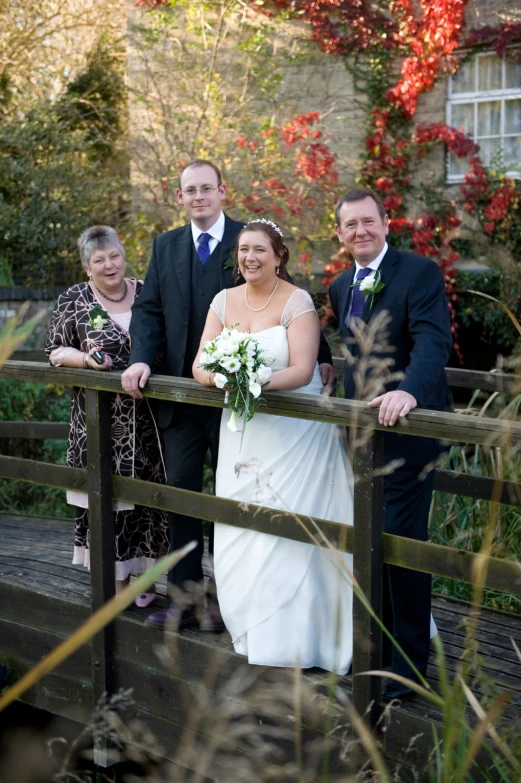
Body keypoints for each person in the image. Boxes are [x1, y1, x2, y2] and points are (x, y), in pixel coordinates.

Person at [121, 159, 336, 631]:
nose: (198, 196)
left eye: (206, 189)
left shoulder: (250, 240)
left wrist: (325, 355)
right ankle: (184, 601)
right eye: (189, 190)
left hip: (244, 411)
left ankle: (229, 602)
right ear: (179, 197)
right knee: (181, 496)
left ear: (223, 191)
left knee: (235, 498)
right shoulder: (165, 246)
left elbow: (289, 301)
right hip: (182, 395)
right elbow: (149, 309)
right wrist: (140, 358)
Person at [193, 219, 354, 672]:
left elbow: (303, 370)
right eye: (244, 249)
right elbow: (199, 365)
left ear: (278, 256)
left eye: (260, 249)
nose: (250, 257)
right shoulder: (223, 301)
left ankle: (305, 635)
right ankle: (253, 622)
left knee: (296, 527)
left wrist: (250, 380)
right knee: (246, 524)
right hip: (243, 433)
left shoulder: (297, 300)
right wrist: (223, 377)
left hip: (295, 432)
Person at [329, 188, 452, 700]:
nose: (360, 231)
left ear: (386, 222)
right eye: (350, 225)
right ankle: (371, 656)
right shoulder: (338, 286)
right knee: (368, 545)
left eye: (368, 222)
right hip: (360, 438)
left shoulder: (419, 272)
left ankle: (408, 667)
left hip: (408, 433)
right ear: (339, 234)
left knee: (401, 545)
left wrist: (408, 391)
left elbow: (433, 343)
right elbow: (350, 352)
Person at [45, 226, 169, 605]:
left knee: (150, 502)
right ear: (87, 268)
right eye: (99, 260)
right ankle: (114, 588)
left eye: (114, 255)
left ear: (123, 255)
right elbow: (54, 350)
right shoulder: (75, 300)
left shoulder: (150, 291)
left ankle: (146, 585)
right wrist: (85, 359)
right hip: (99, 425)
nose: (109, 264)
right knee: (108, 502)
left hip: (151, 422)